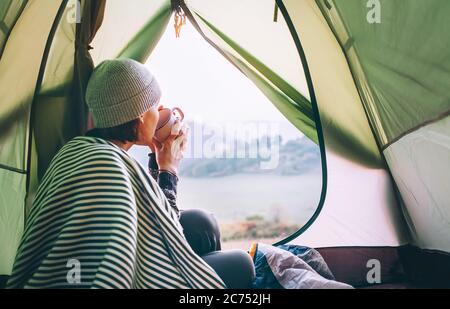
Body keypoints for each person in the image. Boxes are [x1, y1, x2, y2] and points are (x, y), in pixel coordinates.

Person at [7, 58, 254, 289]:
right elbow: (160, 230)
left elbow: (147, 214)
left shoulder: (81, 149)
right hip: (116, 276)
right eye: (155, 107)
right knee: (242, 264)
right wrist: (169, 169)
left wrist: (158, 161)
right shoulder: (107, 164)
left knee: (202, 222)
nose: (161, 112)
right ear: (140, 116)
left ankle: (190, 268)